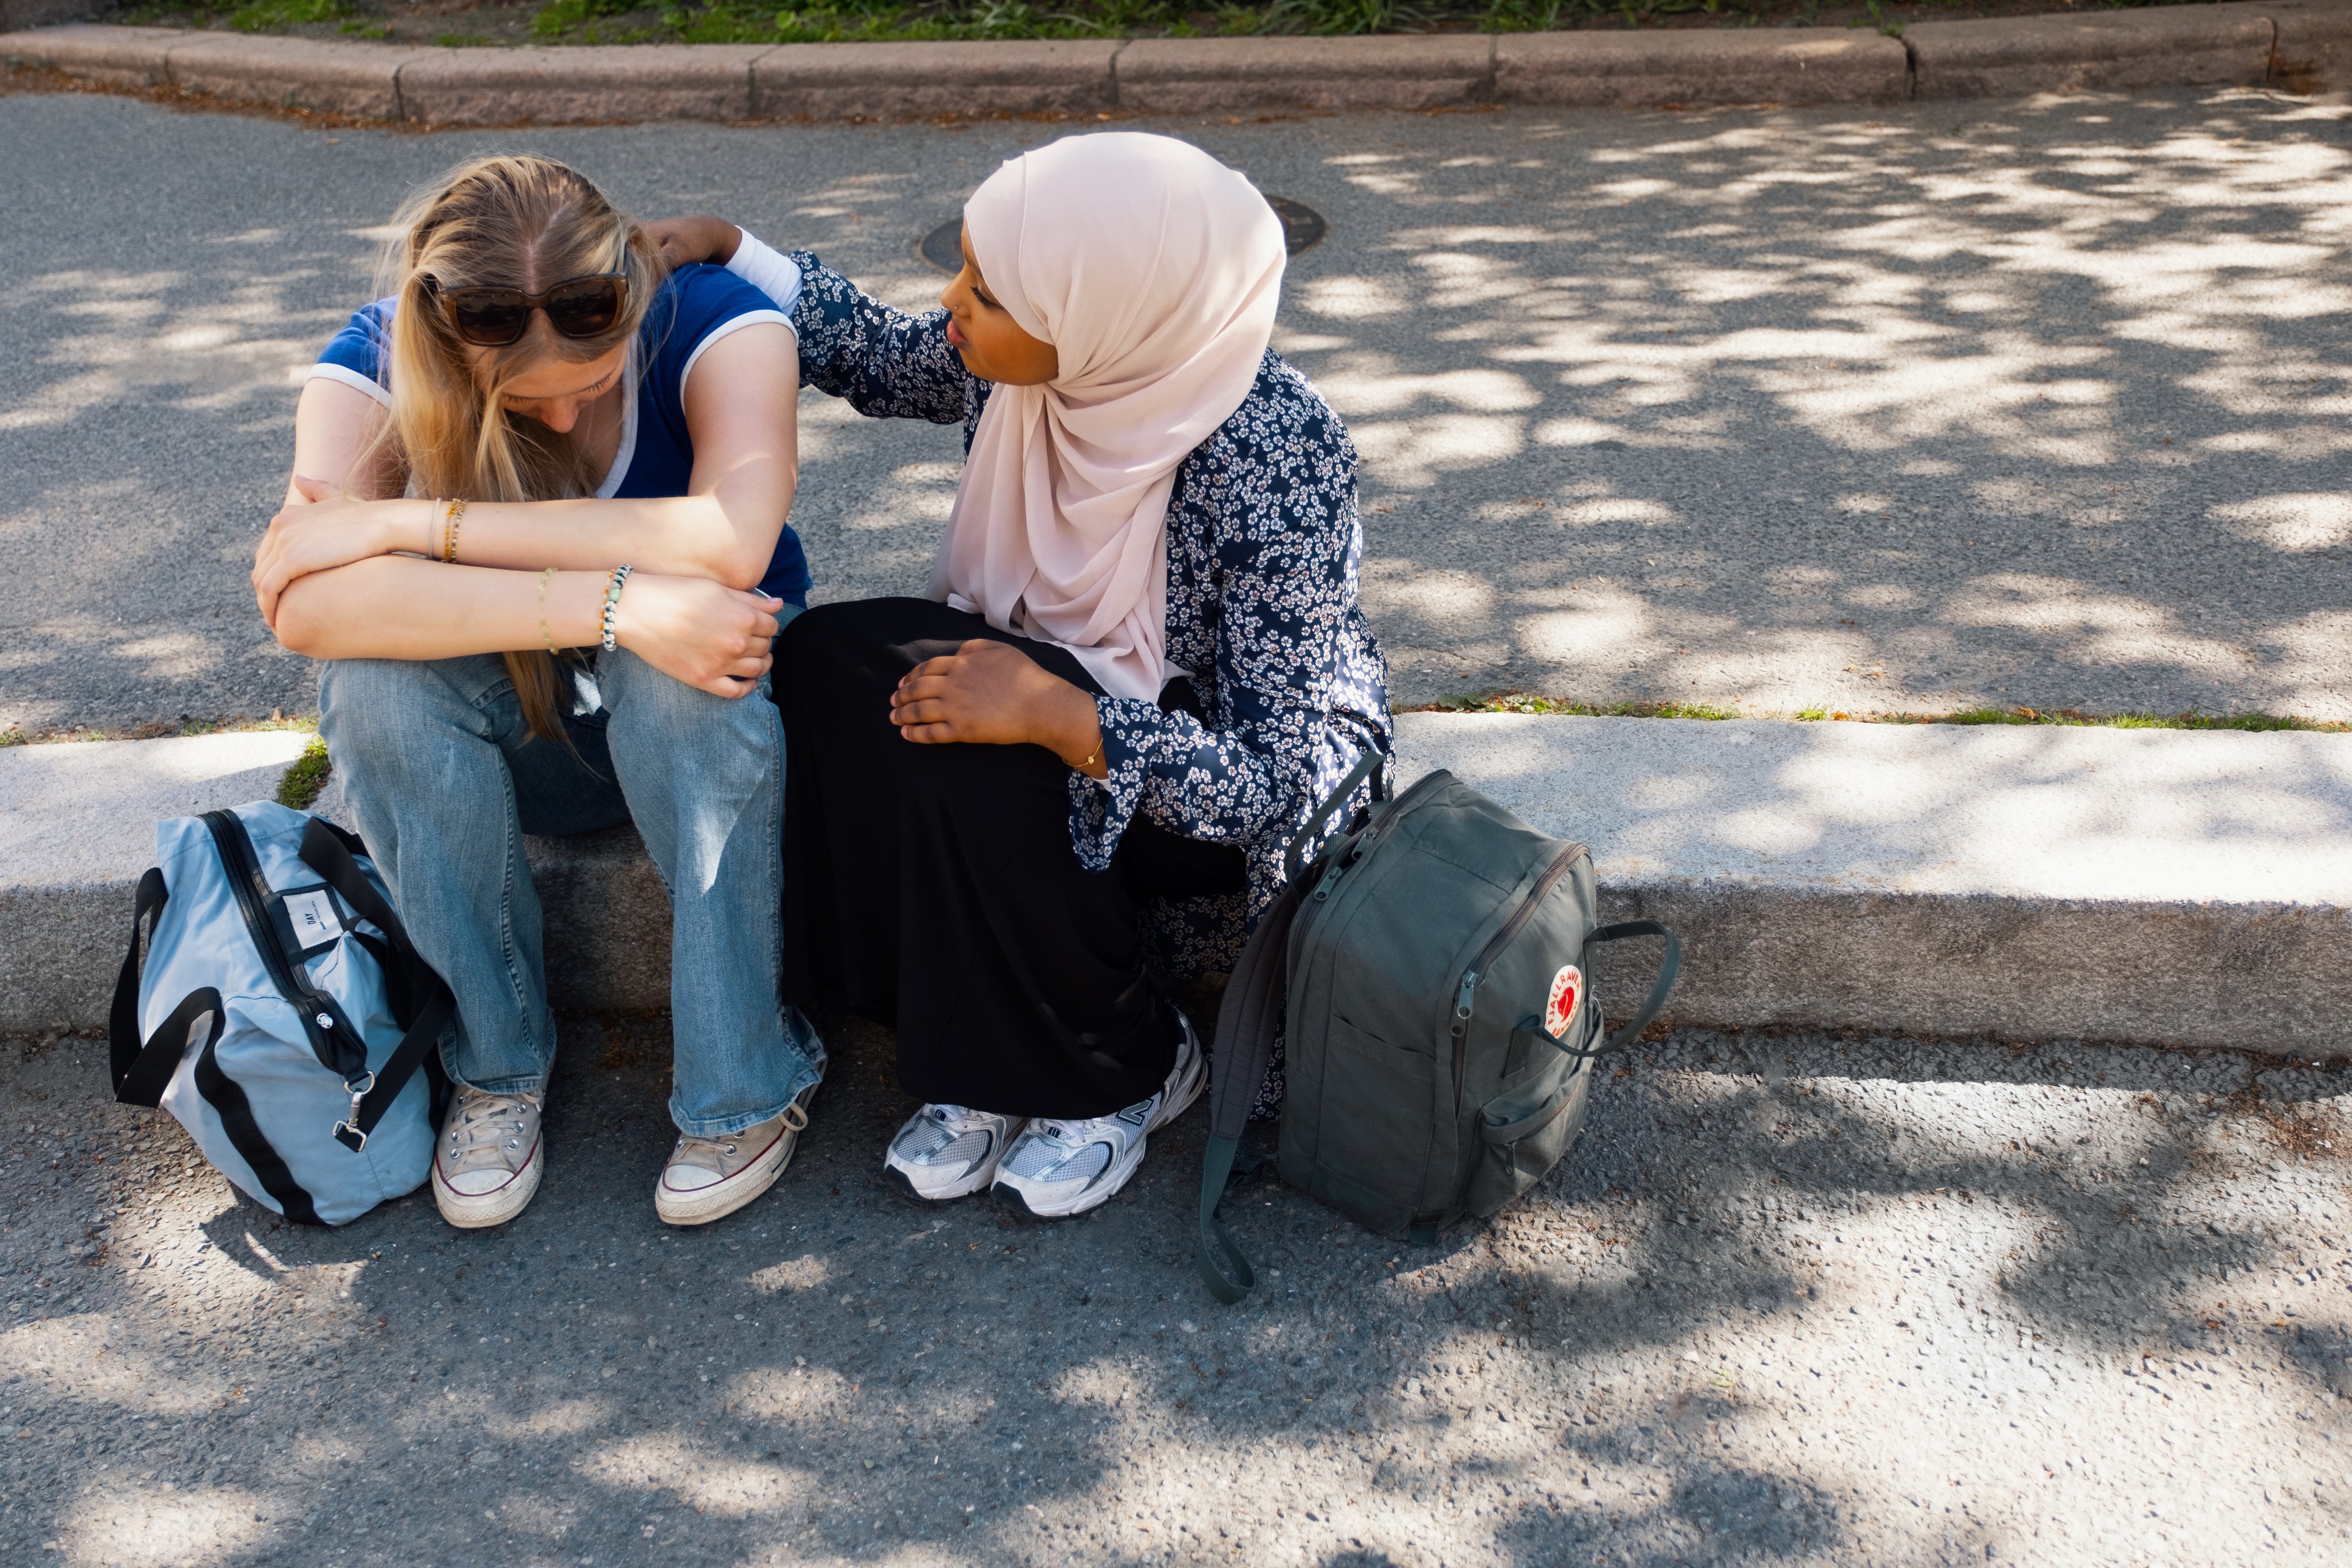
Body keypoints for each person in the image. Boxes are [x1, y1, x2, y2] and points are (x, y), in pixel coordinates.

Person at [656, 131, 1392, 1220]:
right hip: (1062, 692)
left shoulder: (1276, 459)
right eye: (966, 267)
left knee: (987, 740)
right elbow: (884, 354)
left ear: (1103, 314)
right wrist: (732, 248)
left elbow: (1271, 785)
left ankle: (1128, 1063)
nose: (952, 302)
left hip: (1207, 800)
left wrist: (1063, 716)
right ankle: (985, 1050)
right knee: (821, 666)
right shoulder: (1049, 365)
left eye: (987, 290)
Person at [253, 153, 824, 1231]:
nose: (561, 421)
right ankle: (497, 1068)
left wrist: (408, 523)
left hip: (705, 720)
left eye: (593, 383)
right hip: (530, 735)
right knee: (372, 688)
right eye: (521, 398)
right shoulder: (372, 359)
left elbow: (729, 540)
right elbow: (310, 610)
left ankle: (745, 1084)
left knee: (684, 657)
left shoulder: (716, 319)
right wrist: (618, 604)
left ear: (630, 303)